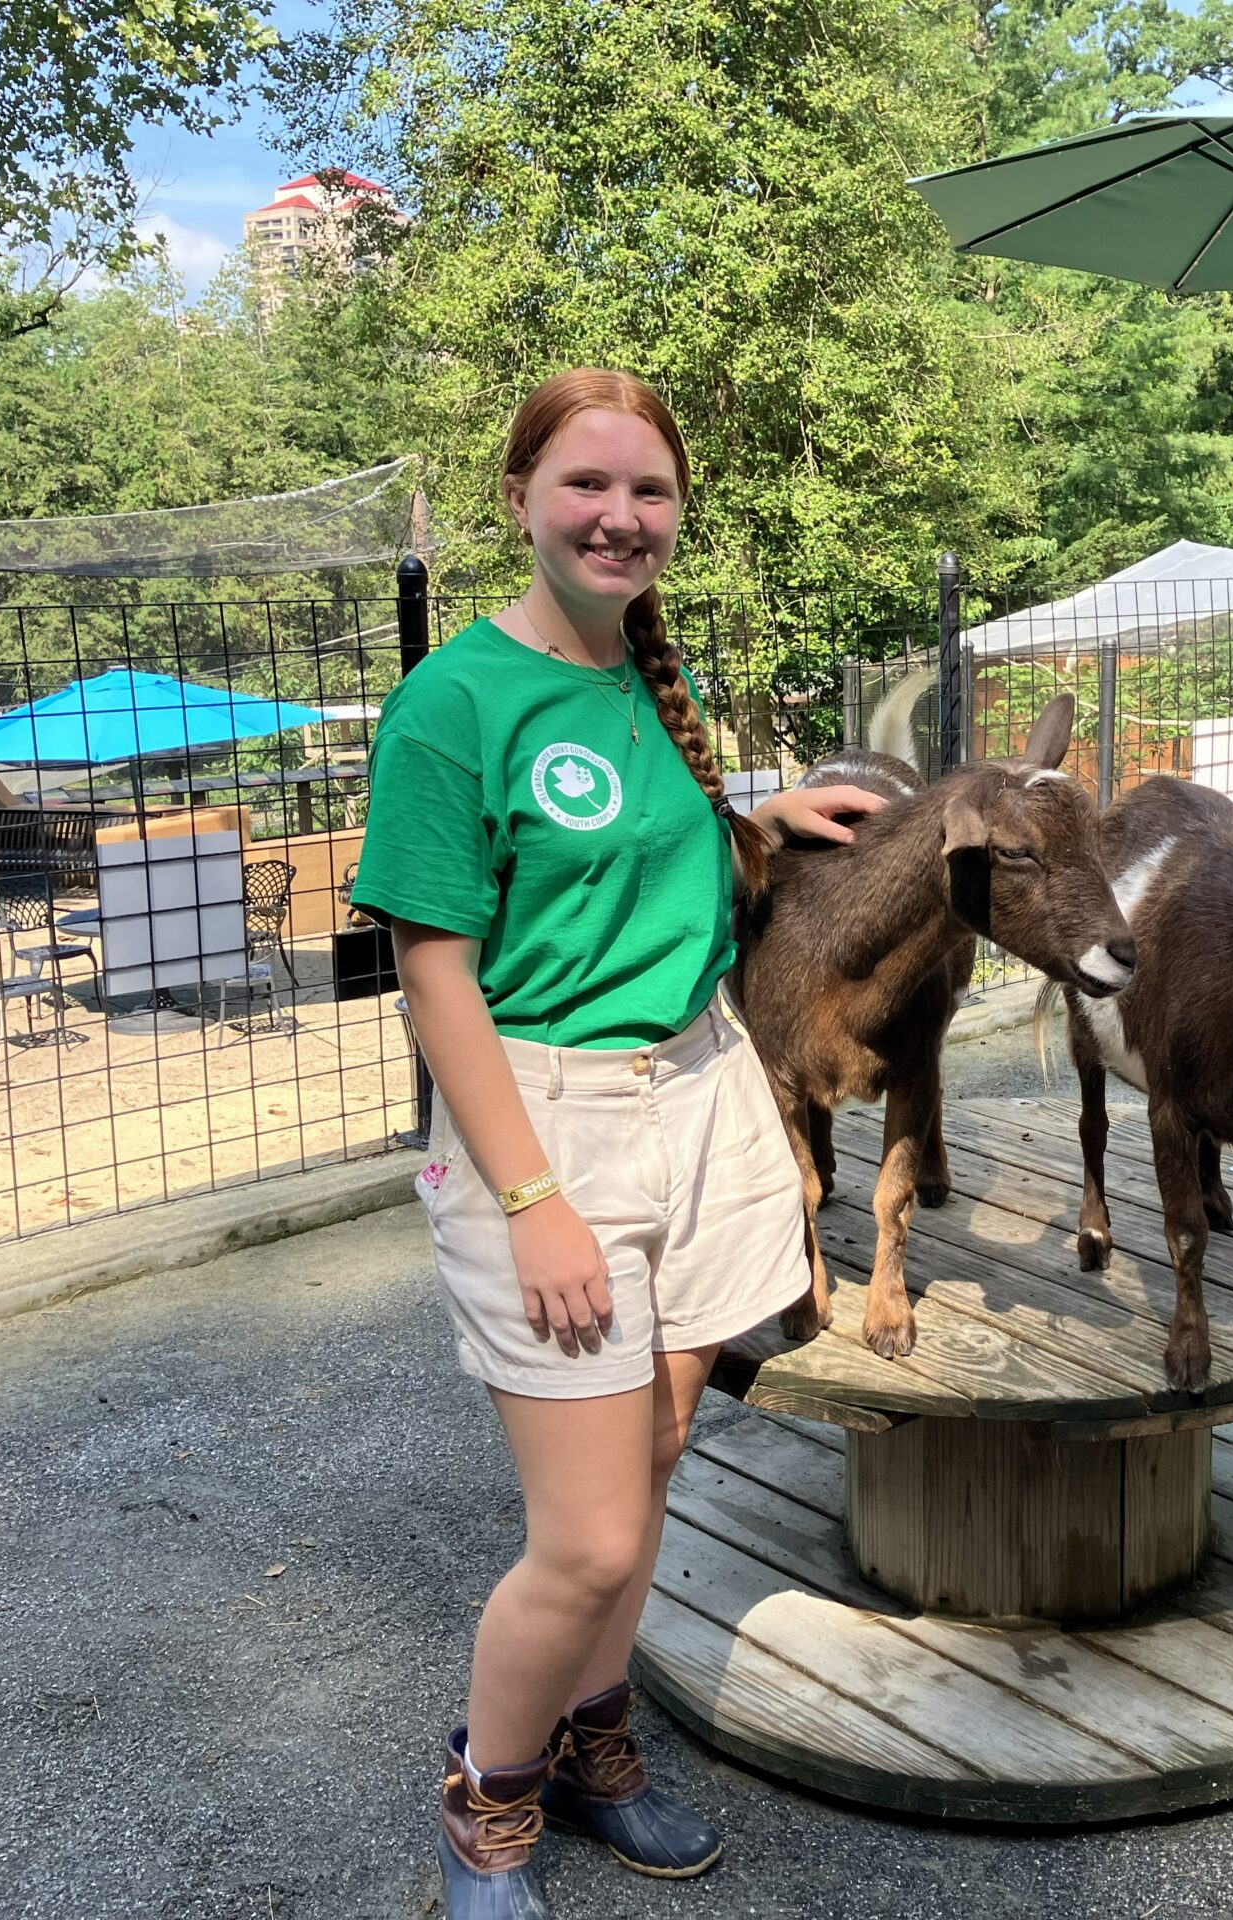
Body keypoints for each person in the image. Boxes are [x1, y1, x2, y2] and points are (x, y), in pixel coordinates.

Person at [351, 368, 885, 1918]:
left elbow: (652, 843)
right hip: (549, 1122)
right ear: (520, 497)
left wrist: (771, 813)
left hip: (704, 1092)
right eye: (587, 484)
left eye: (648, 492)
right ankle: (487, 1808)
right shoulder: (454, 704)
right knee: (584, 1541)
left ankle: (597, 1752)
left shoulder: (659, 679)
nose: (619, 516)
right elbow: (434, 968)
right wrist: (533, 1200)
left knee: (652, 1462)